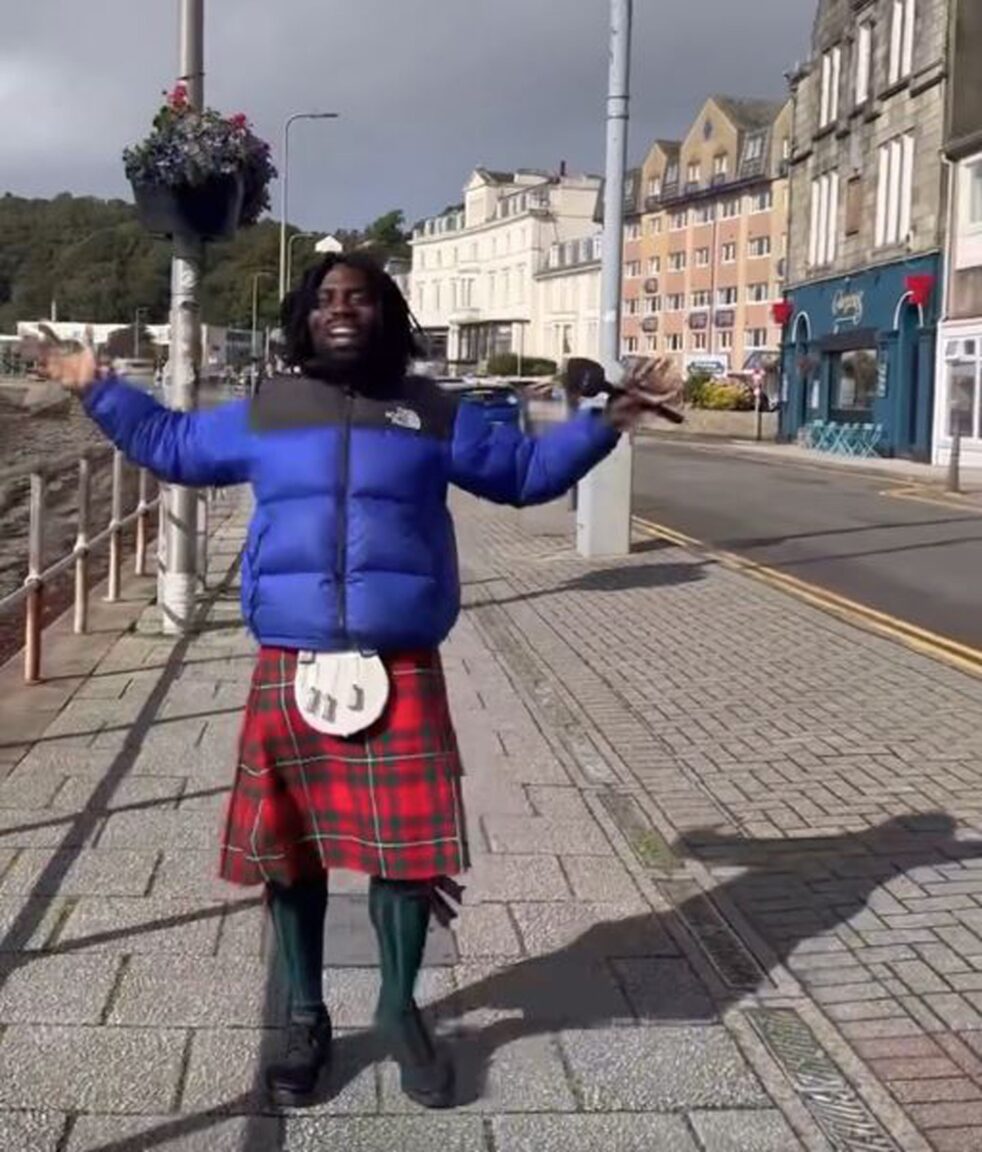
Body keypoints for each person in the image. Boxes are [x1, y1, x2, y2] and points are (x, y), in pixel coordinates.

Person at [43, 253, 680, 1110]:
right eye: (328, 300)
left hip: (400, 662)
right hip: (294, 662)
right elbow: (172, 446)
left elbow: (524, 476)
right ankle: (303, 1014)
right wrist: (98, 385)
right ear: (305, 318)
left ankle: (396, 1009)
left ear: (388, 315)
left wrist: (612, 419)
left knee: (409, 862)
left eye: (362, 298)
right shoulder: (271, 409)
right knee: (290, 854)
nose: (343, 311)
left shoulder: (431, 411)